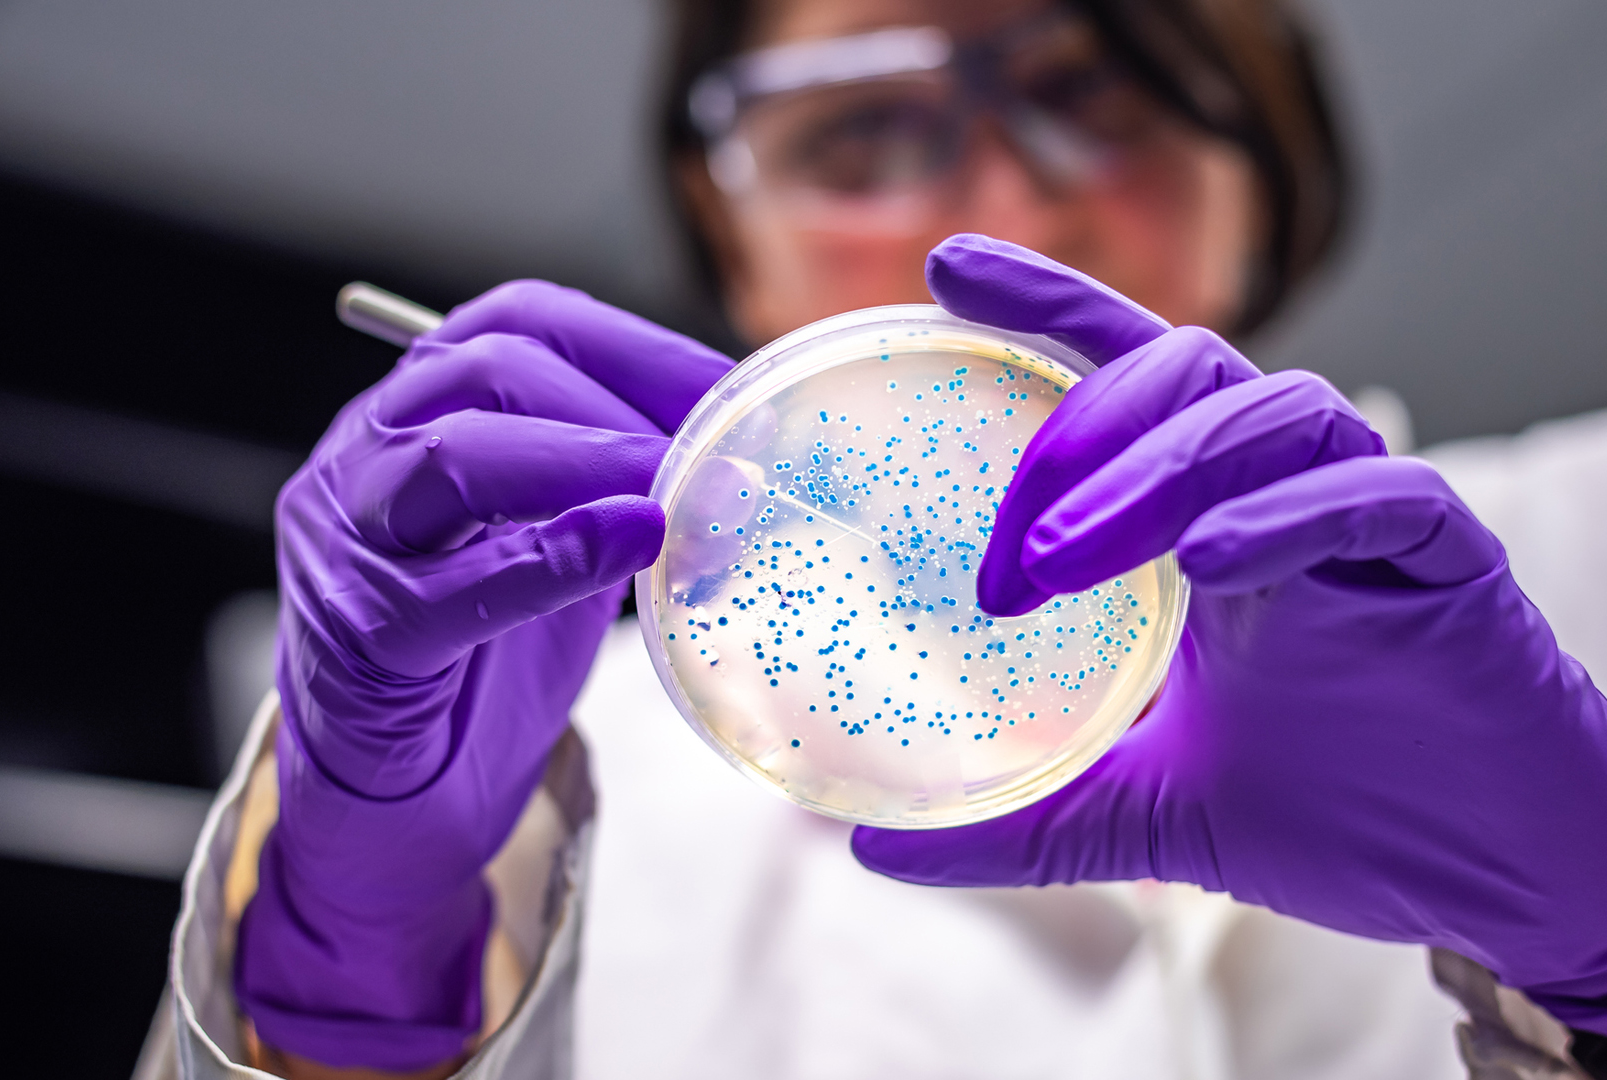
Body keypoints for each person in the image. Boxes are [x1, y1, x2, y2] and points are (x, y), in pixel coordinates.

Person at [133, 1, 1607, 1078]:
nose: (1006, 196)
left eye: (1090, 90)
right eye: (860, 129)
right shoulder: (569, 748)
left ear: (1264, 156)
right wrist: (365, 956)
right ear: (733, 231)